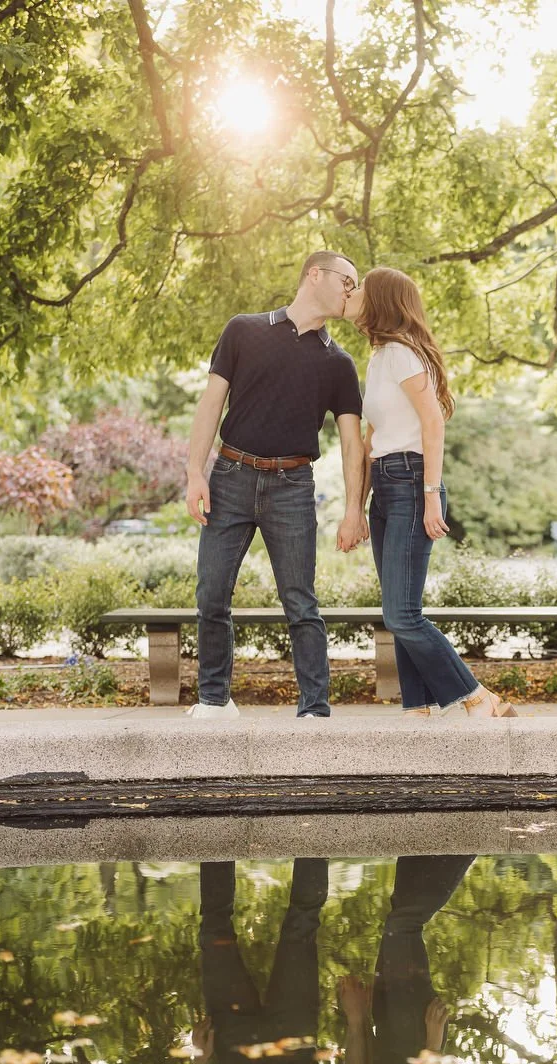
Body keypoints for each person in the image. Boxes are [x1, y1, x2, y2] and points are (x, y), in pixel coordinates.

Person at [184, 251, 369, 720]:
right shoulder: (243, 330)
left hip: (292, 486)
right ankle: (213, 701)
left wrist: (354, 509)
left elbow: (352, 444)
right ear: (315, 274)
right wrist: (193, 473)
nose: (352, 291)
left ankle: (315, 707)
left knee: (300, 601)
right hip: (230, 477)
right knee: (211, 594)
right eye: (347, 281)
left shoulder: (339, 363)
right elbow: (211, 405)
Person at [344, 267, 513, 718]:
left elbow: (433, 422)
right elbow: (370, 437)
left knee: (401, 614)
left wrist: (431, 494)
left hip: (411, 480)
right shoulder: (380, 357)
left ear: (380, 299)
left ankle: (478, 697)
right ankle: (417, 706)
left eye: (360, 287)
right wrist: (357, 508)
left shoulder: (401, 353)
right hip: (385, 482)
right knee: (399, 607)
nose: (353, 293)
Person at [192, 858, 361, 1064]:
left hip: (239, 1047)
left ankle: (213, 832)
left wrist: (201, 1061)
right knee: (301, 924)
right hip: (292, 1040)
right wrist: (357, 1020)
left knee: (215, 931)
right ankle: (312, 827)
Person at [341, 855, 475, 1064]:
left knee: (398, 916)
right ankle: (466, 844)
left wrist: (367, 1019)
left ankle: (421, 839)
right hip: (412, 1046)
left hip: (391, 1040)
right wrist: (433, 1045)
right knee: (403, 924)